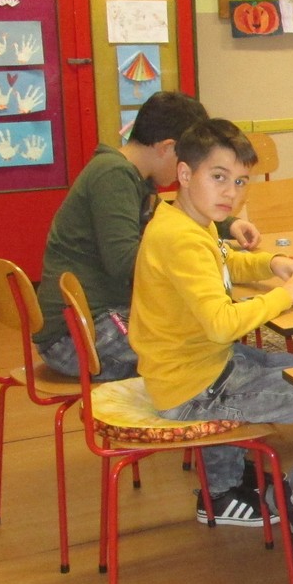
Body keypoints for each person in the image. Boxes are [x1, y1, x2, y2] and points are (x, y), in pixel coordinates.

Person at [129, 120, 293, 529]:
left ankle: (224, 489)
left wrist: (272, 263)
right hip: (194, 389)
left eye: (239, 181)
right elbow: (221, 324)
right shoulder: (181, 238)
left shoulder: (182, 221)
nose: (231, 193)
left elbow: (223, 260)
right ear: (185, 174)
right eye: (218, 177)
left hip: (196, 368)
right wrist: (285, 295)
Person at [35, 91, 261, 381]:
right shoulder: (112, 175)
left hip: (93, 320)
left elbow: (169, 217)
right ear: (168, 147)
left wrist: (228, 224)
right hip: (76, 336)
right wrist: (190, 261)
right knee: (199, 346)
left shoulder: (132, 176)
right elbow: (124, 261)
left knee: (207, 336)